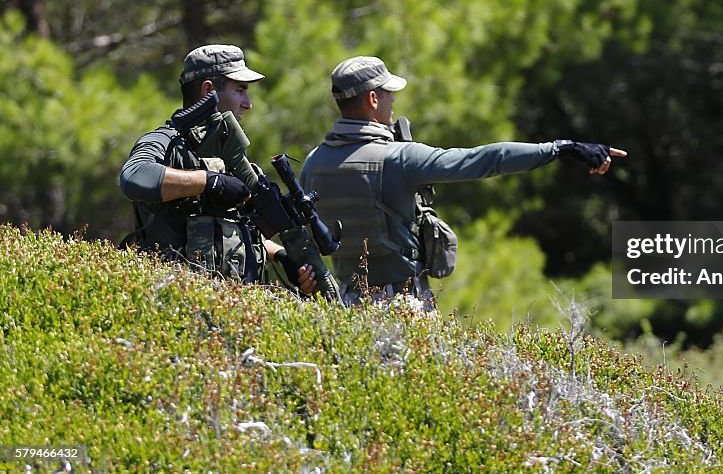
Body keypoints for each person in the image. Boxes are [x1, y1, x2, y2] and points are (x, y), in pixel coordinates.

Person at [300, 55, 627, 308]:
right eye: (388, 94)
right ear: (373, 99)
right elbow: (485, 160)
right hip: (401, 305)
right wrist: (560, 148)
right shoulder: (399, 158)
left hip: (345, 306)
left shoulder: (314, 162)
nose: (393, 102)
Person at [119, 44, 315, 294]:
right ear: (208, 90)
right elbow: (133, 177)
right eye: (240, 90)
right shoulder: (167, 143)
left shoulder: (229, 154)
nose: (248, 104)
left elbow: (230, 229)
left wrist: (280, 255)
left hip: (237, 310)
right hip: (176, 303)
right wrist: (209, 181)